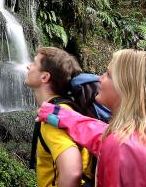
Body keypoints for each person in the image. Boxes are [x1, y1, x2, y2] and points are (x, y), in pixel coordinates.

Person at [36, 49, 146, 186]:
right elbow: (104, 136)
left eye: (108, 75)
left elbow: (117, 146)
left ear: (127, 90)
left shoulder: (122, 147)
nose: (99, 79)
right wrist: (62, 116)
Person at [25, 47, 94, 187]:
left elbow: (72, 172)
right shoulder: (65, 109)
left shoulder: (54, 119)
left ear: (44, 77)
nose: (28, 66)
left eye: (34, 63)